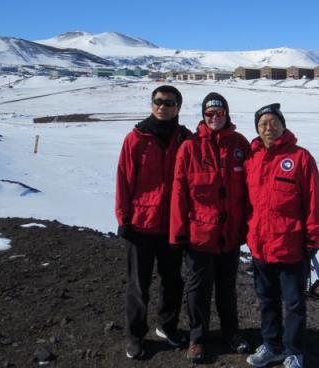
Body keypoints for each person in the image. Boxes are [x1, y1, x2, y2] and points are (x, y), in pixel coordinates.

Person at [170, 92, 251, 363]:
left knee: (227, 288)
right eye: (209, 114)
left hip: (229, 236)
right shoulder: (190, 147)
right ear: (203, 116)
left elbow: (252, 190)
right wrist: (178, 232)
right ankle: (198, 338)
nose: (215, 118)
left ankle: (231, 332)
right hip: (199, 236)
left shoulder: (240, 145)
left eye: (220, 113)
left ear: (227, 114)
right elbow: (179, 192)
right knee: (198, 290)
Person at [245, 103, 319, 368]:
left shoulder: (301, 158)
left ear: (283, 124)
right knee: (266, 300)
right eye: (263, 123)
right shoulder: (251, 159)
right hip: (260, 246)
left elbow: (313, 203)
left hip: (291, 246)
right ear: (257, 129)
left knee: (294, 304)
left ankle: (293, 351)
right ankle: (272, 345)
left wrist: (313, 238)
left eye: (273, 121)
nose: (269, 127)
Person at [115, 85, 191, 359]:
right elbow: (124, 180)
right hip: (141, 224)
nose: (162, 106)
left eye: (169, 103)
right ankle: (135, 335)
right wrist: (123, 217)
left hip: (173, 225)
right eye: (158, 101)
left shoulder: (185, 138)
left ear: (177, 107)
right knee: (138, 284)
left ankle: (167, 326)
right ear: (151, 105)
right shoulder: (136, 139)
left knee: (173, 281)